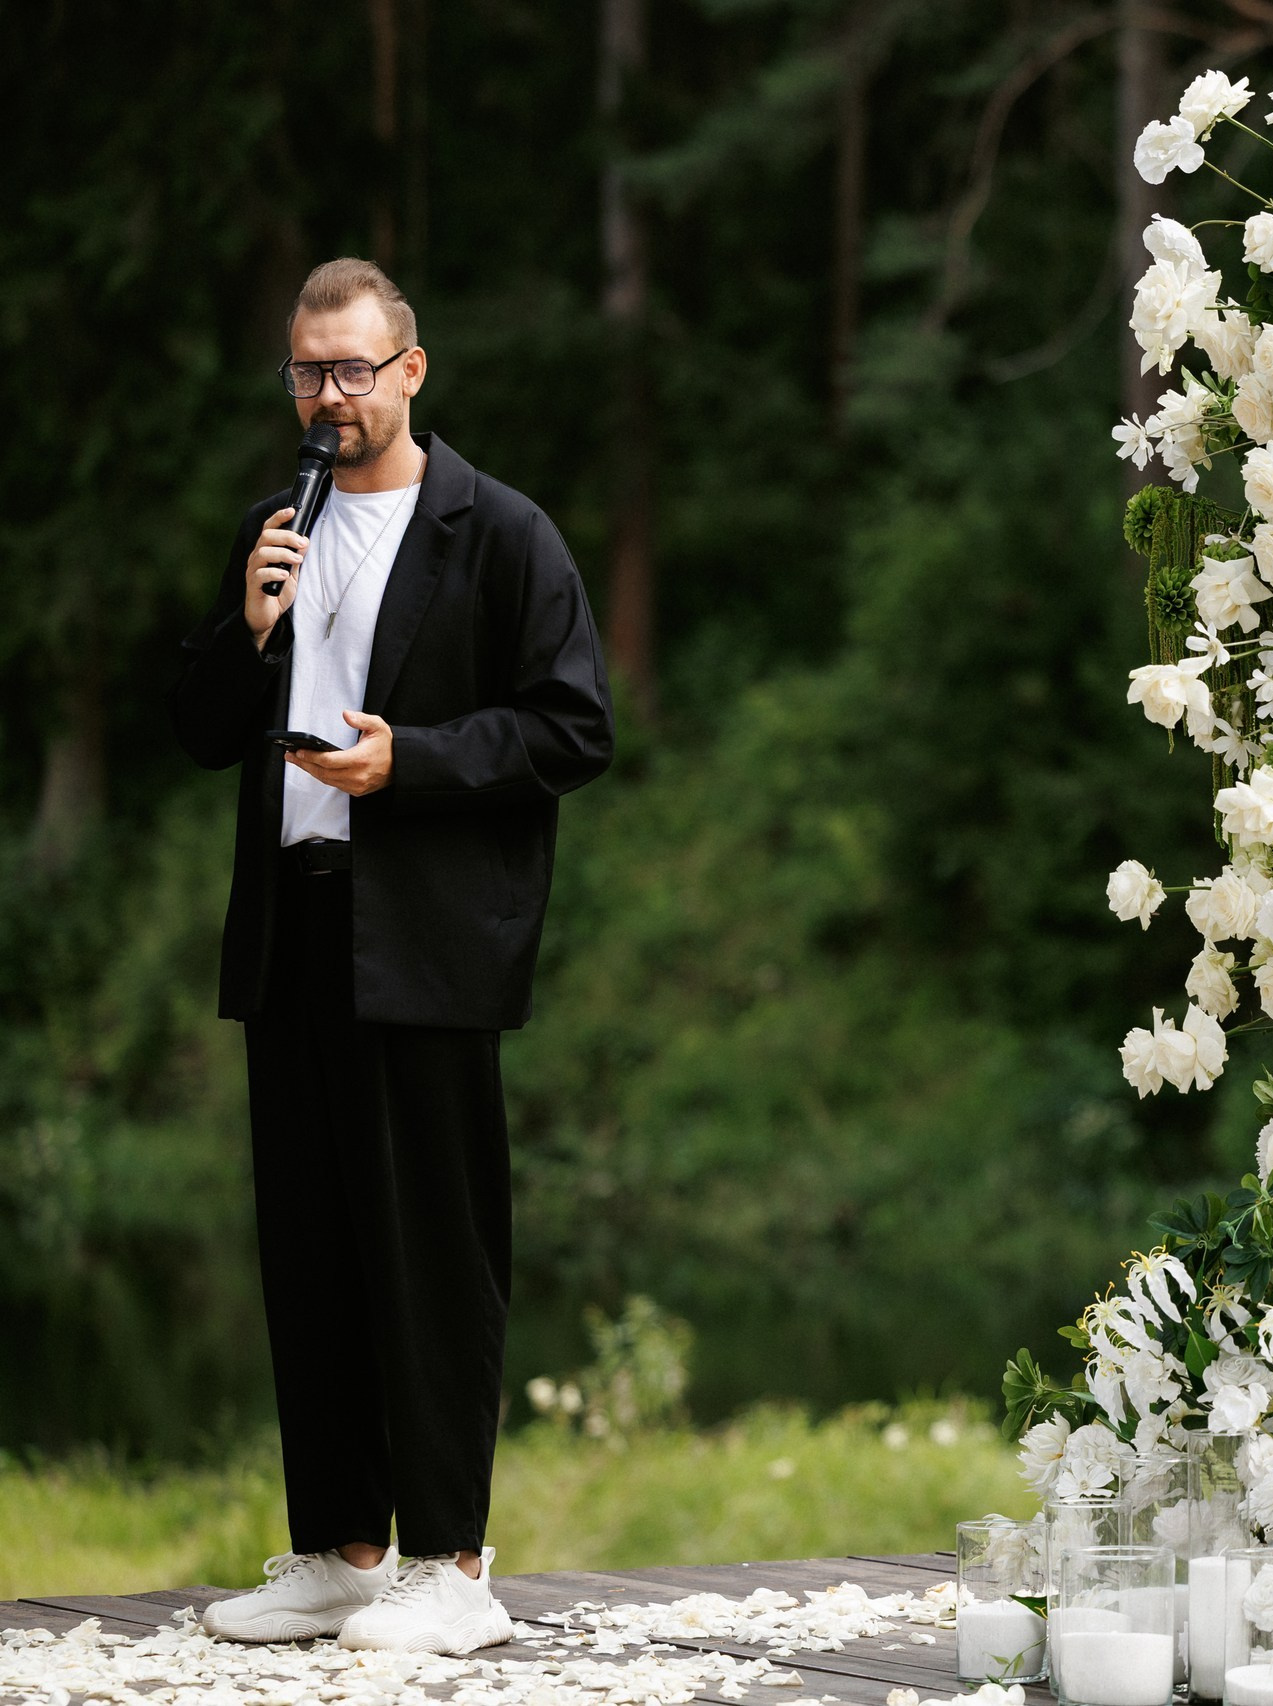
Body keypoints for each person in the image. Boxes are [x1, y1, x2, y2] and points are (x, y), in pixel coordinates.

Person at [168, 258, 614, 1655]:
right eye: (307, 371)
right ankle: (342, 1550)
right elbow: (199, 727)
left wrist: (406, 760)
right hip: (294, 925)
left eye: (353, 369)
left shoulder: (501, 532)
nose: (329, 396)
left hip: (426, 934)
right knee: (310, 1245)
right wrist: (247, 628)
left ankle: (453, 1562)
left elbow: (573, 729)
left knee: (432, 1248)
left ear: (411, 371)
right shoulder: (276, 527)